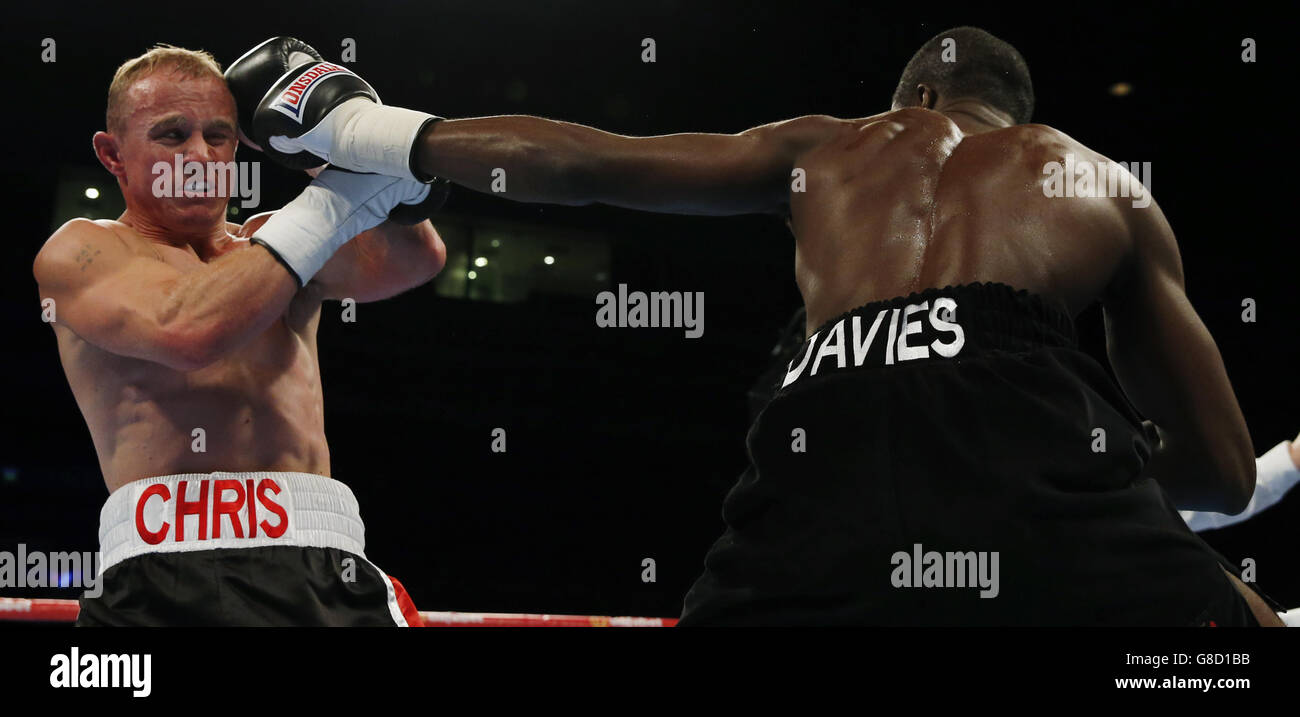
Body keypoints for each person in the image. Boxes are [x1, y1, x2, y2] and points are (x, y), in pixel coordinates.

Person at [227, 29, 1280, 625]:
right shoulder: (1099, 182)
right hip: (1023, 409)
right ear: (1019, 110)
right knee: (1222, 640)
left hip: (827, 406)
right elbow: (1219, 478)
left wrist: (359, 126)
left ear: (914, 92)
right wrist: (1099, 486)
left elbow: (589, 162)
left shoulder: (829, 144)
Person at [34, 45, 446, 625]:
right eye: (172, 135)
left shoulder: (271, 242)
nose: (200, 154)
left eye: (220, 135)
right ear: (113, 154)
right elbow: (189, 330)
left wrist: (327, 145)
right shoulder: (82, 250)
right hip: (158, 568)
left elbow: (414, 259)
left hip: (320, 560)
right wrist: (352, 189)